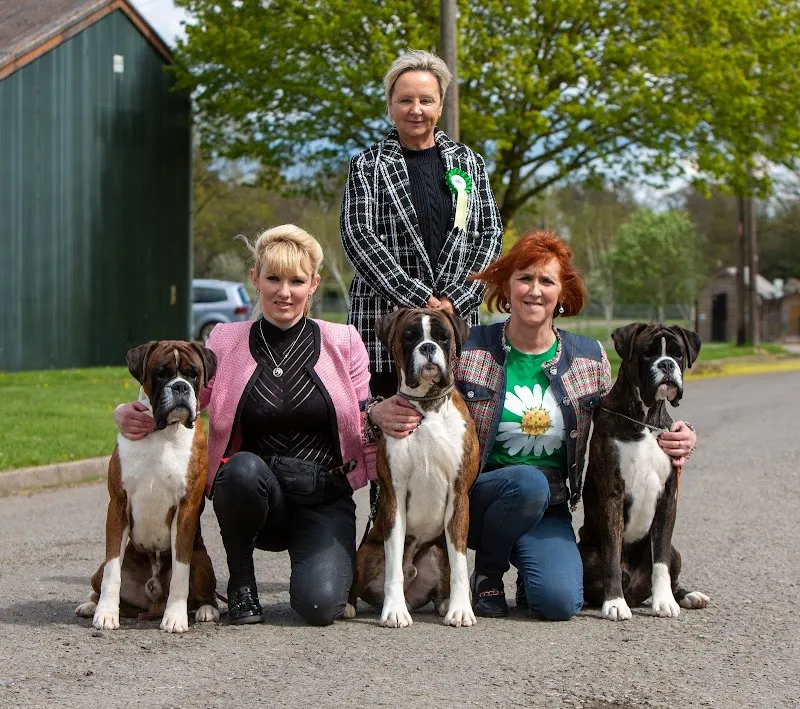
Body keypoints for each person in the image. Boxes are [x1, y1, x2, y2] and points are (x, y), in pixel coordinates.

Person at [367, 231, 698, 620]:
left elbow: (628, 414)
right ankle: (487, 573)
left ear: (562, 293)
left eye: (547, 281)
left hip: (549, 507)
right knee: (526, 482)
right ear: (507, 288)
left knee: (558, 602)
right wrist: (375, 411)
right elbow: (420, 391)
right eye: (524, 278)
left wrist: (677, 432)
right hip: (479, 500)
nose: (534, 290)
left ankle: (529, 567)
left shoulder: (589, 359)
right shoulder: (471, 349)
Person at [114, 225, 378, 627]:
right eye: (273, 278)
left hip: (324, 497)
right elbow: (188, 402)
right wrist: (132, 411)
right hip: (256, 495)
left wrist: (382, 419)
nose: (284, 292)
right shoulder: (225, 339)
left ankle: (317, 564)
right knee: (238, 469)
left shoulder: (344, 341)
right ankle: (241, 582)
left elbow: (362, 415)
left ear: (314, 285)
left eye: (296, 281)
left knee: (321, 606)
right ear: (255, 279)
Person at [341, 49, 504, 399]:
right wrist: (419, 300)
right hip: (385, 333)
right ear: (390, 105)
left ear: (441, 105)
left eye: (426, 100)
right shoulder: (366, 166)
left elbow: (490, 236)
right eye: (406, 100)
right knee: (385, 436)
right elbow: (359, 237)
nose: (416, 109)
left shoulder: (469, 162)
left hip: (453, 328)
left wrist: (456, 299)